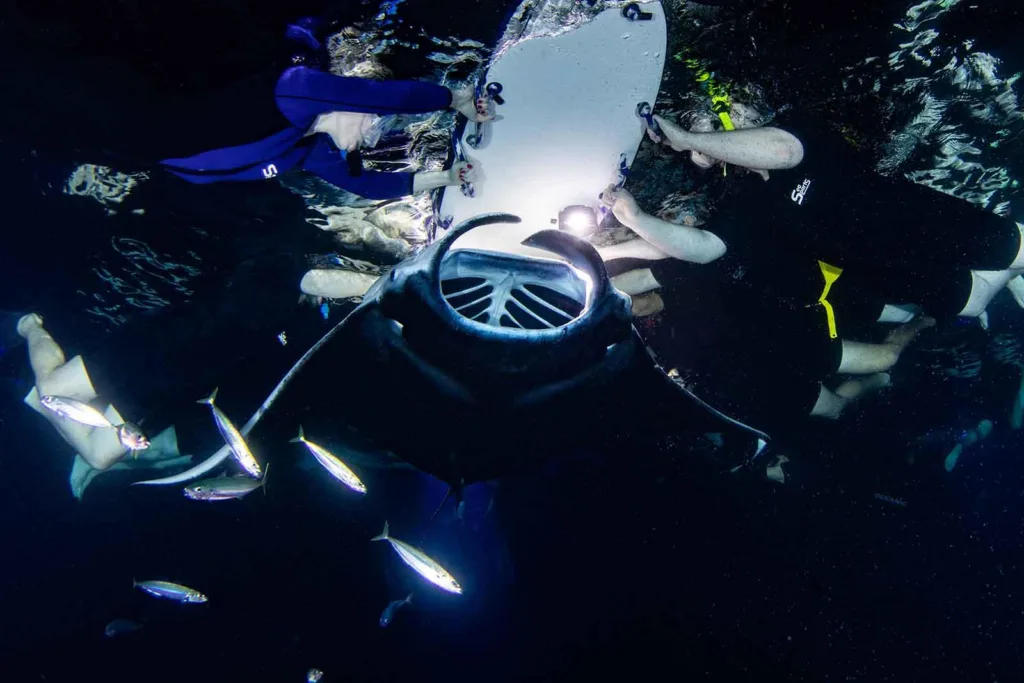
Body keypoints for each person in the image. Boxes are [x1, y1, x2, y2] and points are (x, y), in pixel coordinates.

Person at [618, 102, 1024, 328]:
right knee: (972, 303)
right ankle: (1010, 277)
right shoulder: (744, 205)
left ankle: (1013, 269)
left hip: (935, 224)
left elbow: (782, 150)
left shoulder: (800, 129)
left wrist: (689, 137)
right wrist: (635, 218)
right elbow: (704, 248)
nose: (699, 155)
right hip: (897, 271)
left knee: (1017, 248)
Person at [161, 18, 494, 201]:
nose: (373, 135)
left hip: (169, 159)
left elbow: (368, 186)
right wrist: (456, 98)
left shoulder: (306, 148)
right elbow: (379, 95)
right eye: (376, 119)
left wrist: (447, 178)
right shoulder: (294, 90)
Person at [15, 314, 190, 499]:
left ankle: (53, 409)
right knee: (50, 391)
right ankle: (30, 325)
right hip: (151, 346)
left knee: (98, 457)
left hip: (162, 384)